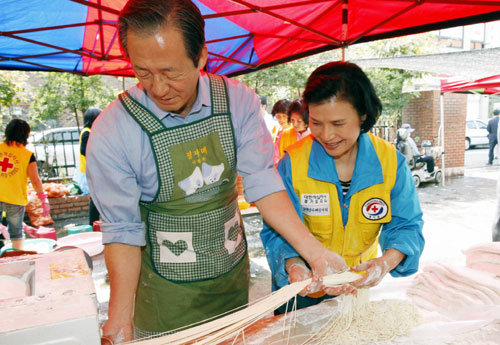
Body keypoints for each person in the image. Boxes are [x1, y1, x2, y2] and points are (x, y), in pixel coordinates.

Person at [86, 1, 349, 342]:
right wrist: (120, 317)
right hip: (164, 295)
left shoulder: (237, 102)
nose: (159, 88)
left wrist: (315, 253)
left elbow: (263, 183)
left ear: (201, 57)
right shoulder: (113, 131)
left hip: (229, 279)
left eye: (171, 72)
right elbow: (122, 230)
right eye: (143, 73)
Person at [260, 61, 425, 314]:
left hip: (355, 287)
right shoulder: (292, 164)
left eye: (338, 124)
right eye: (316, 123)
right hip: (302, 288)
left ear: (363, 115)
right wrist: (294, 265)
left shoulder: (390, 162)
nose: (327, 135)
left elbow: (407, 225)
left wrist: (384, 262)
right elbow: (276, 230)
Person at [0, 119, 50, 250]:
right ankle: (18, 257)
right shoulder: (28, 155)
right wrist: (43, 199)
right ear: (25, 135)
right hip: (15, 200)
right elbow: (35, 180)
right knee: (16, 233)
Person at [73, 108, 101, 225]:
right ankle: (93, 224)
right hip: (91, 170)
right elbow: (85, 150)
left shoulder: (88, 131)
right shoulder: (87, 132)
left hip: (92, 170)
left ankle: (95, 224)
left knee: (96, 198)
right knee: (95, 199)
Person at [273, 99, 311, 165]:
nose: (295, 124)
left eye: (299, 121)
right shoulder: (284, 135)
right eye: (292, 120)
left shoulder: (316, 136)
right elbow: (275, 157)